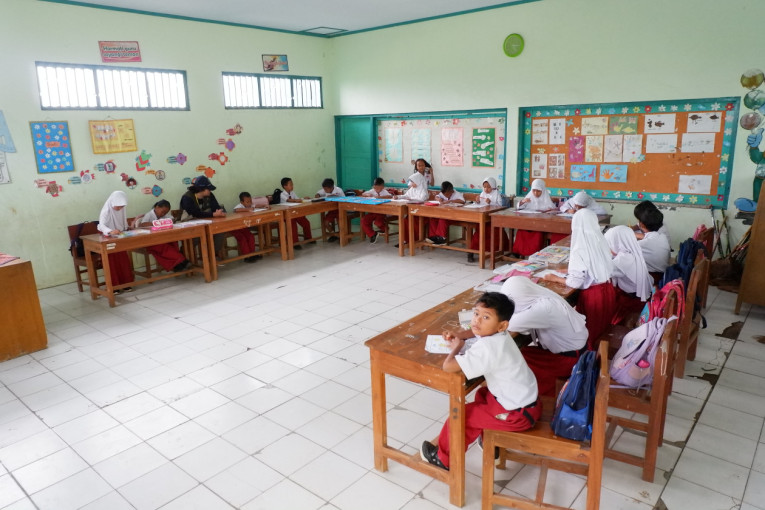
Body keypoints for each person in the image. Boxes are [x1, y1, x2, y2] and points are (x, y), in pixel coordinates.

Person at [420, 292, 540, 471]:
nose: (477, 320)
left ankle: (443, 459)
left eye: (485, 317)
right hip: (526, 404)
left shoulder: (488, 347)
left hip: (517, 416)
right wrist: (460, 335)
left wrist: (456, 348)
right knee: (482, 394)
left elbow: (448, 366)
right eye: (476, 313)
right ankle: (491, 443)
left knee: (461, 417)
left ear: (502, 325)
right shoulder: (500, 334)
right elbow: (476, 332)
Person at [500, 277, 588, 397]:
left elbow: (510, 323)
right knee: (518, 353)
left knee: (514, 360)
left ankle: (528, 396)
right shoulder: (542, 295)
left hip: (569, 360)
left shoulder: (544, 308)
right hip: (576, 351)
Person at [543, 208, 616, 349]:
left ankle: (590, 359)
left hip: (594, 296)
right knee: (602, 328)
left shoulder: (579, 247)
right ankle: (600, 355)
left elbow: (575, 282)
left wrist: (555, 278)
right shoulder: (601, 240)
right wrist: (571, 270)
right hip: (607, 290)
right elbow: (596, 265)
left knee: (590, 332)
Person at [605, 225, 653, 323]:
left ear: (617, 243)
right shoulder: (632, 251)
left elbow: (603, 271)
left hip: (631, 302)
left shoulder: (623, 259)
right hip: (638, 295)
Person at [134, 199, 190, 273]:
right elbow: (142, 225)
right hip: (151, 240)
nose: (163, 214)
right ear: (157, 207)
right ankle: (182, 260)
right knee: (163, 247)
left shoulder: (165, 215)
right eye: (162, 211)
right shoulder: (149, 214)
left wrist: (169, 221)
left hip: (162, 238)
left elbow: (172, 219)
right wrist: (157, 223)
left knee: (173, 242)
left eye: (165, 212)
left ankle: (176, 265)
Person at [97, 191, 134, 293]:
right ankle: (114, 286)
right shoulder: (106, 210)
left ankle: (126, 283)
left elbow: (123, 222)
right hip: (107, 237)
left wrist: (127, 227)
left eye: (122, 206)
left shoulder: (122, 209)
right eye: (118, 206)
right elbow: (101, 225)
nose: (120, 208)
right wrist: (110, 231)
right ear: (113, 202)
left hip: (119, 237)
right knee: (112, 262)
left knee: (123, 260)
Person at [179, 175, 226, 255]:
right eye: (209, 189)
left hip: (207, 223)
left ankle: (213, 254)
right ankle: (183, 254)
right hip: (191, 225)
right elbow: (195, 213)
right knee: (197, 236)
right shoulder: (187, 197)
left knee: (219, 230)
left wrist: (220, 212)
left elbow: (216, 207)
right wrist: (213, 214)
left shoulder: (210, 195)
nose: (210, 191)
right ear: (202, 189)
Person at [512, 179, 557, 257]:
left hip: (540, 225)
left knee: (537, 233)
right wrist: (523, 201)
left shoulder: (546, 199)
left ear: (542, 190)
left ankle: (534, 254)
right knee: (521, 230)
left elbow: (553, 211)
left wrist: (550, 210)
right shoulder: (529, 197)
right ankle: (518, 251)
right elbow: (519, 207)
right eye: (534, 190)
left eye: (538, 191)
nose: (535, 193)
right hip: (528, 223)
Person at [468, 177, 508, 262]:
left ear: (493, 186)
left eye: (488, 187)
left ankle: (496, 251)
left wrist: (491, 202)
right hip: (483, 217)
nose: (486, 189)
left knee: (496, 232)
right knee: (479, 232)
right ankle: (472, 251)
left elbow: (500, 206)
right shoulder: (482, 193)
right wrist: (477, 201)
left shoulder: (497, 194)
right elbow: (479, 205)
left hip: (494, 219)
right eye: (485, 187)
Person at [395, 160, 430, 247]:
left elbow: (422, 199)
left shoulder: (423, 190)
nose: (412, 184)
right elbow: (406, 195)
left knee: (412, 221)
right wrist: (398, 197)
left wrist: (412, 200)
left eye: (413, 181)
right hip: (412, 212)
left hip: (421, 213)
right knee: (405, 220)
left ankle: (414, 240)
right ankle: (405, 240)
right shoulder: (413, 189)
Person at [633, 201, 671, 282]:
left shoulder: (643, 244)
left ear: (642, 224)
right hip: (661, 270)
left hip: (654, 276)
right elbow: (646, 236)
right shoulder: (660, 234)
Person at [426, 181, 465, 245]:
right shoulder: (442, 193)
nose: (445, 196)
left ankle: (441, 238)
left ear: (451, 191)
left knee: (442, 219)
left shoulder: (457, 194)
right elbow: (437, 196)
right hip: (444, 214)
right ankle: (433, 237)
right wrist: (438, 199)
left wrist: (450, 201)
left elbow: (462, 201)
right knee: (433, 219)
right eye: (444, 194)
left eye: (447, 194)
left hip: (454, 216)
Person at [280, 177, 314, 250]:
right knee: (293, 226)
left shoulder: (292, 193)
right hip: (287, 215)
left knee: (306, 223)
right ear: (285, 186)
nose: (292, 186)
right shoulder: (282, 194)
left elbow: (298, 200)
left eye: (292, 184)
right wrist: (297, 200)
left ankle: (308, 238)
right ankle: (295, 243)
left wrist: (303, 199)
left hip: (295, 213)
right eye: (290, 184)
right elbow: (289, 200)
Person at [232, 192, 262, 263]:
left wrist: (265, 205)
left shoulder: (250, 205)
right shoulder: (239, 206)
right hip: (235, 227)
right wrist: (248, 209)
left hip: (243, 227)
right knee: (243, 238)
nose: (249, 203)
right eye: (247, 202)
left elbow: (256, 206)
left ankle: (252, 254)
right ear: (242, 202)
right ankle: (247, 256)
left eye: (250, 201)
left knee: (250, 236)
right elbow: (236, 210)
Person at [361, 177, 393, 243]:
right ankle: (372, 234)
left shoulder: (384, 191)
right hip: (373, 212)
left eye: (379, 188)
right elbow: (363, 194)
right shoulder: (372, 191)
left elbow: (390, 196)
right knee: (364, 220)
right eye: (375, 188)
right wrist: (368, 194)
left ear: (382, 187)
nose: (377, 190)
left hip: (382, 212)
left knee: (378, 222)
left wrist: (380, 197)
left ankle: (385, 229)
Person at [315, 178, 345, 242]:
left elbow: (345, 200)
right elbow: (318, 193)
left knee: (340, 222)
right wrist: (318, 195)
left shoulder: (339, 190)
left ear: (331, 187)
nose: (325, 190)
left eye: (326, 189)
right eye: (324, 189)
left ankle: (342, 236)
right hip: (332, 211)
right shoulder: (324, 190)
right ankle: (333, 234)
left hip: (340, 210)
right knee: (325, 222)